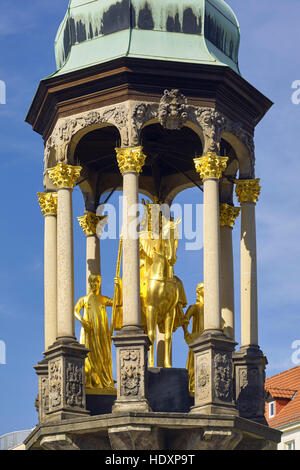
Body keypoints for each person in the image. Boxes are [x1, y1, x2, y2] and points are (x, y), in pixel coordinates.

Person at [74, 274, 115, 392]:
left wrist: (119, 286)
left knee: (102, 353)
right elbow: (75, 310)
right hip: (89, 331)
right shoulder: (85, 299)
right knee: (89, 354)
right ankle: (91, 379)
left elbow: (117, 302)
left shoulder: (103, 299)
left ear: (99, 283)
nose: (94, 285)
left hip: (101, 331)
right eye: (91, 282)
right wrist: (82, 321)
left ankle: (103, 380)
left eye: (96, 282)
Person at [183, 283, 204, 395]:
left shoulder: (211, 310)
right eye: (204, 288)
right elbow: (185, 319)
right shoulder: (195, 307)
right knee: (192, 364)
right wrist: (187, 334)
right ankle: (192, 384)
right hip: (197, 339)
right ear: (199, 291)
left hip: (206, 338)